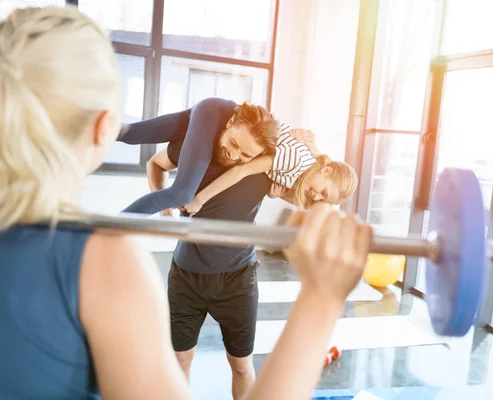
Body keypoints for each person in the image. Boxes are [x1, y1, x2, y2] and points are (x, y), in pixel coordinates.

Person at [0, 6, 373, 400]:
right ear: (101, 127)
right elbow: (161, 164)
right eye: (232, 147)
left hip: (235, 279)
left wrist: (316, 173)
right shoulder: (102, 262)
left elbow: (300, 176)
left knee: (239, 364)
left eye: (244, 156)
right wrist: (321, 298)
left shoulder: (274, 171)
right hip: (186, 275)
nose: (234, 157)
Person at [119, 97, 320, 216]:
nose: (233, 155)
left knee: (127, 132)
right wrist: (165, 203)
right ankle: (108, 231)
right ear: (230, 122)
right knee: (182, 193)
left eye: (245, 154)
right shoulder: (196, 144)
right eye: (233, 143)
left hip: (233, 268)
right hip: (213, 110)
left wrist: (314, 150)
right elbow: (156, 164)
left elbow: (315, 199)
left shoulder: (267, 162)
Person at [182, 128, 358, 215]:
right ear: (326, 170)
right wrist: (199, 200)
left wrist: (278, 195)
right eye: (324, 192)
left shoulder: (304, 181)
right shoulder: (296, 161)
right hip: (237, 127)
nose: (317, 197)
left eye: (324, 198)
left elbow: (312, 207)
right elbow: (241, 170)